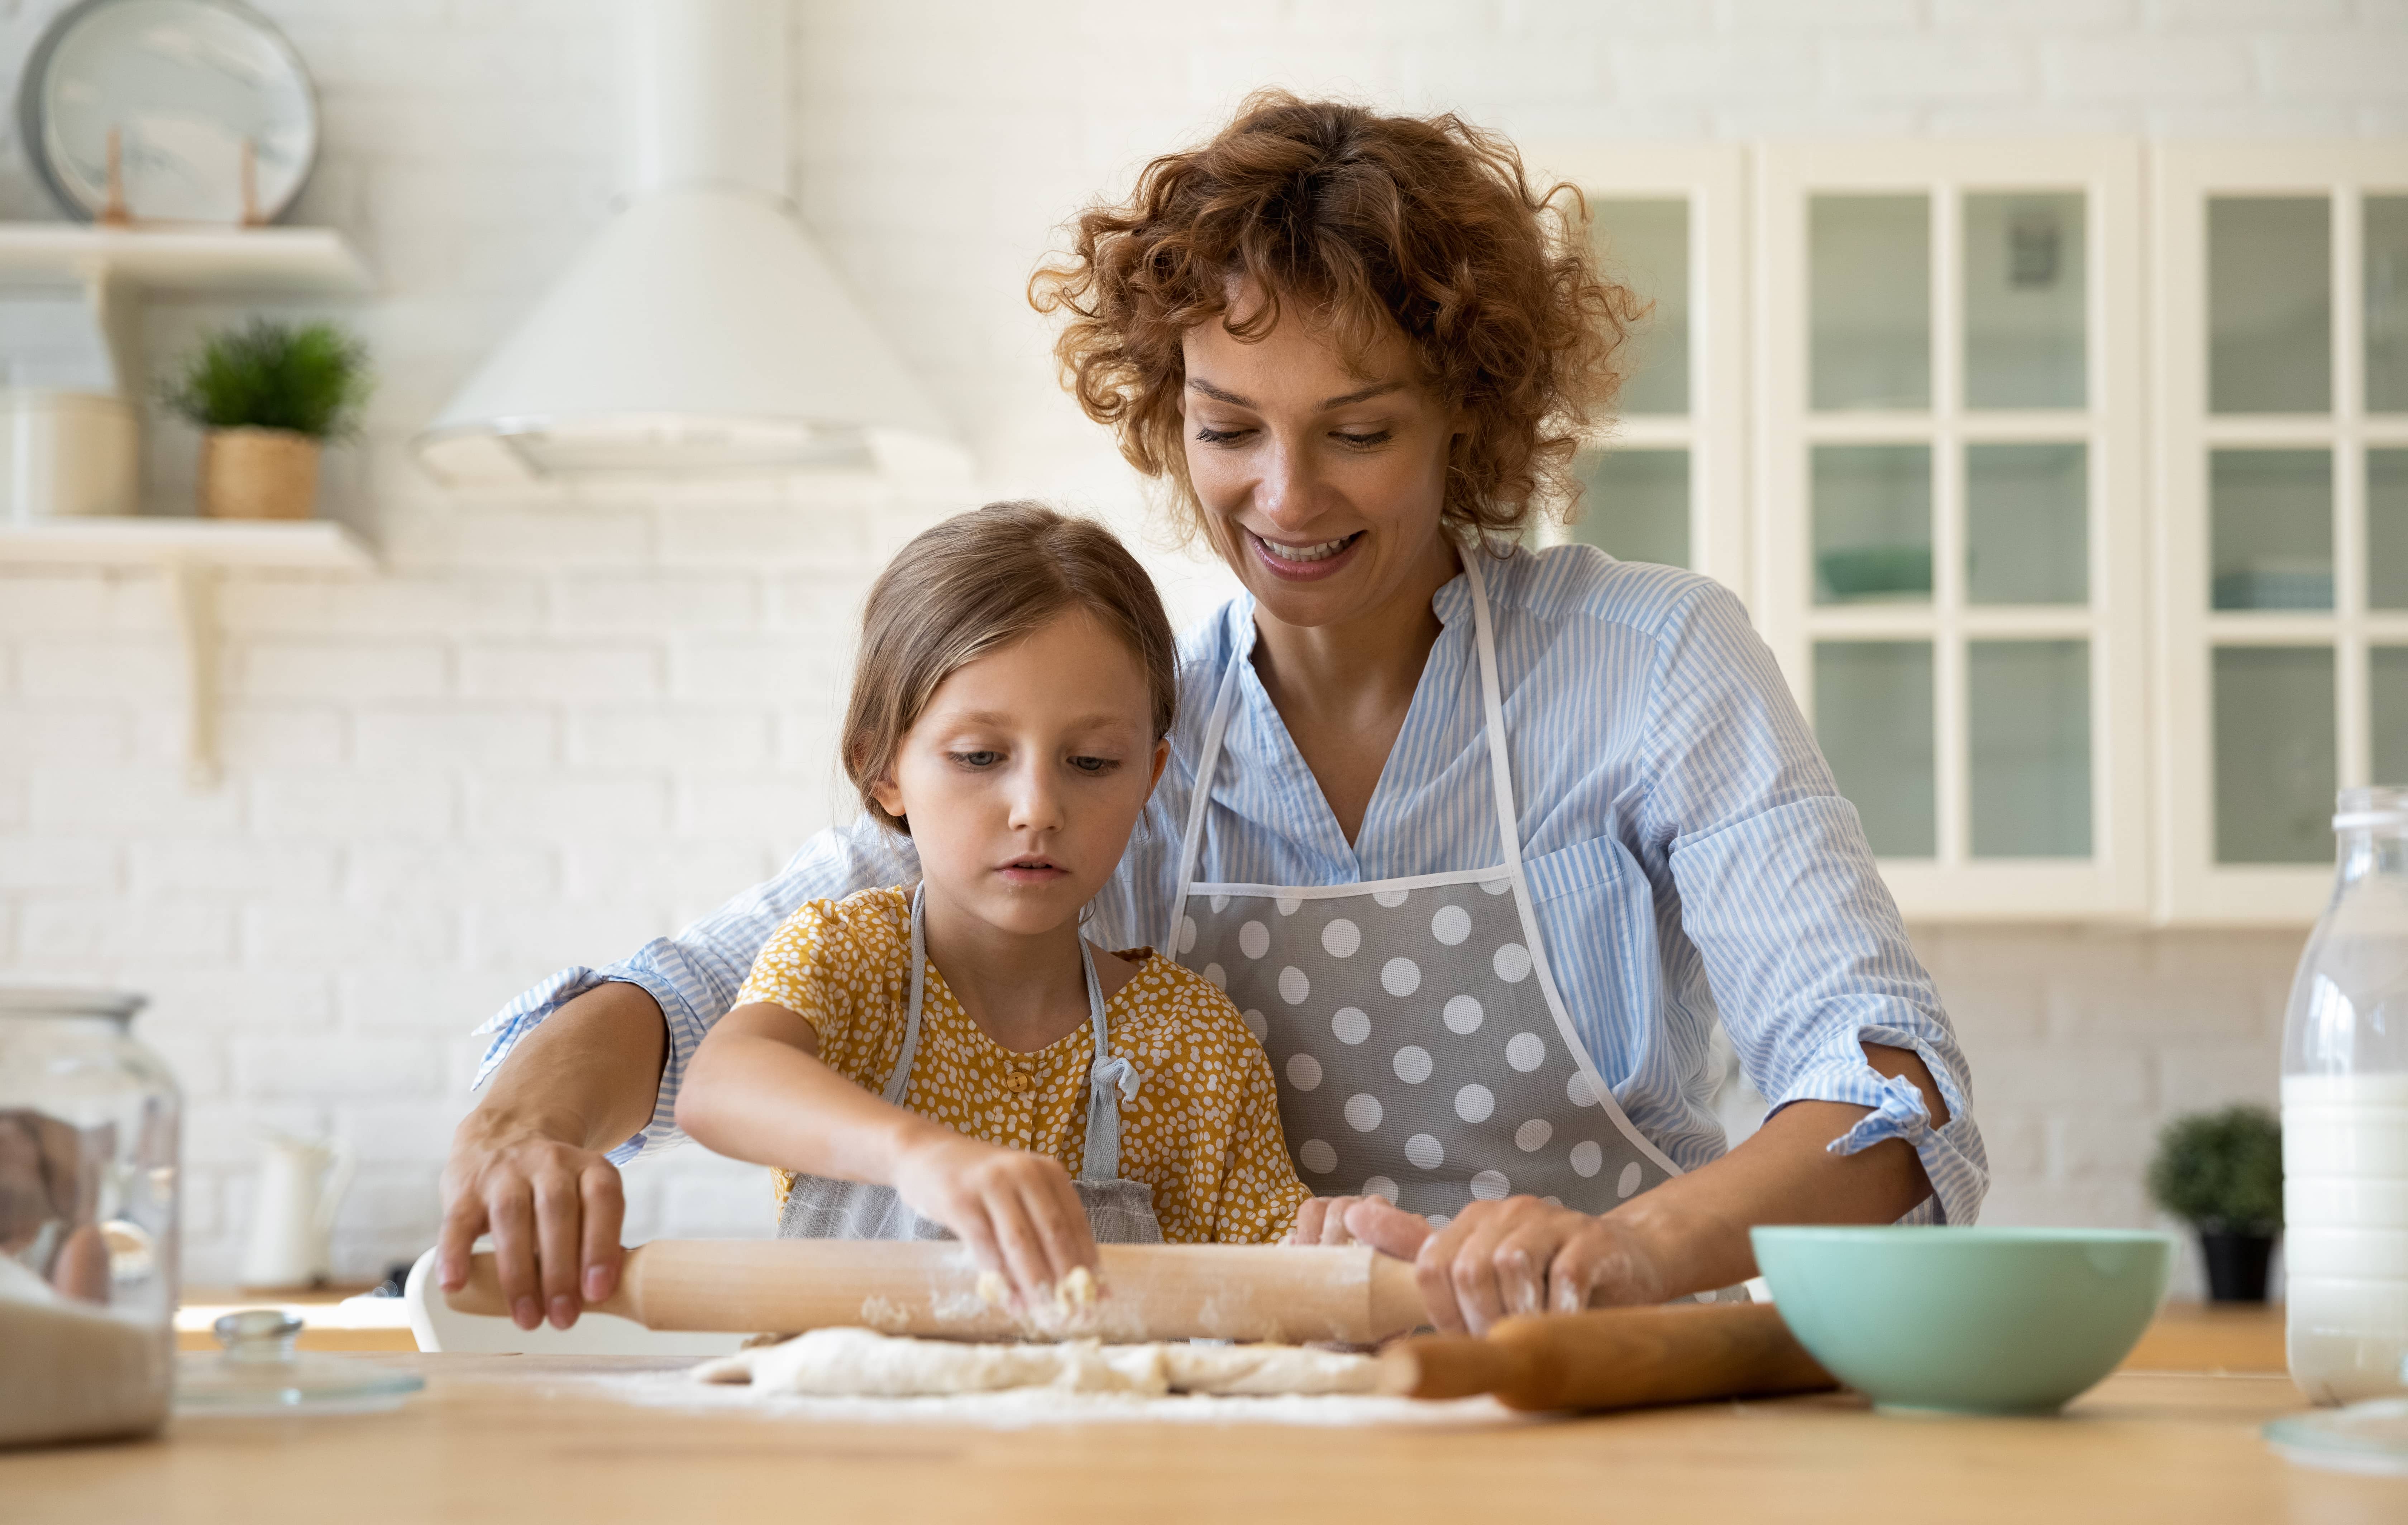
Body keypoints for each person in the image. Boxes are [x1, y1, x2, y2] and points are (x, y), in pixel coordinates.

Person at [444, 90, 1987, 1336]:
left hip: (1589, 1385)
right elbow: (707, 997)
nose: (1286, 495)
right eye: (1227, 428)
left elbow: (1887, 1090)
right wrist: (522, 1131)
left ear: (1473, 412)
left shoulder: (1651, 663)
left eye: (1360, 431)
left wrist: (1629, 1251)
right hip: (1251, 1415)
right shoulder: (1117, 732)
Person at [672, 503, 1312, 1309]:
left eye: (1091, 760)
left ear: (1150, 779)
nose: (1036, 807)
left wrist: (1331, 1254)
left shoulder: (1194, 1045)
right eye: (980, 756)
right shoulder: (851, 964)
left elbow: (1281, 1294)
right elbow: (719, 1085)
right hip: (845, 1436)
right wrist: (917, 1156)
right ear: (883, 768)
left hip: (1111, 1439)